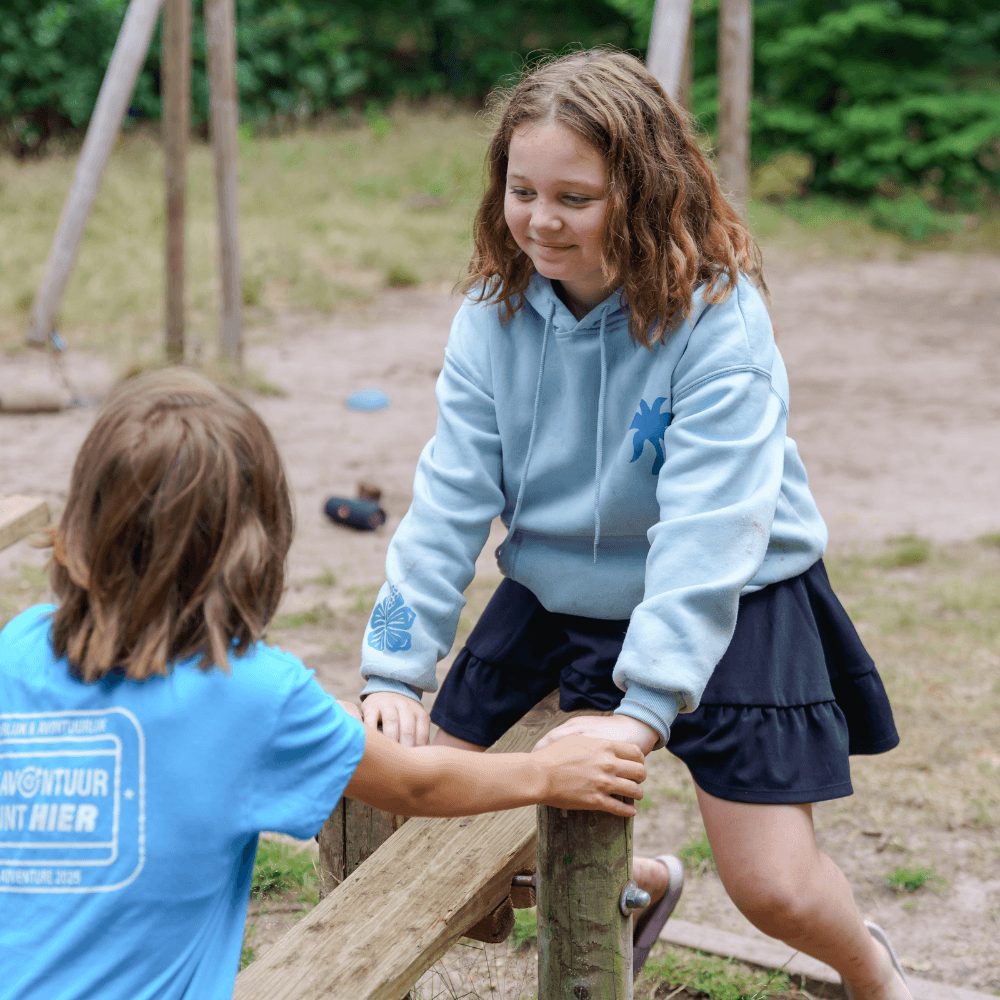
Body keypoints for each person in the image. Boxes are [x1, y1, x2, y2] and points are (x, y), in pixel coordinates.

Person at [358, 49, 910, 999]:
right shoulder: (490, 321)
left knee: (772, 887)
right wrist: (392, 668)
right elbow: (446, 501)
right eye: (522, 190)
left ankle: (872, 972)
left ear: (644, 194)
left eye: (575, 197)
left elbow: (707, 536)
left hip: (734, 594)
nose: (538, 220)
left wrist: (638, 713)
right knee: (412, 808)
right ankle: (641, 885)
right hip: (559, 585)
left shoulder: (718, 325)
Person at [0, 368, 646, 1000]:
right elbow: (416, 783)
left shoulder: (19, 646)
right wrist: (548, 773)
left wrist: (321, 728)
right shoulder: (253, 694)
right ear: (255, 542)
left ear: (84, 519)